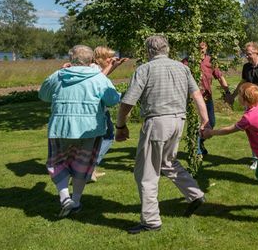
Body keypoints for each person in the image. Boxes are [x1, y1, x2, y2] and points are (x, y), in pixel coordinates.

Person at [115, 35, 210, 235]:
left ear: (149, 51)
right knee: (168, 162)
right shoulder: (182, 68)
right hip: (178, 121)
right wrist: (205, 119)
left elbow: (128, 101)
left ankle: (151, 221)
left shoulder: (144, 69)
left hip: (157, 122)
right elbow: (196, 95)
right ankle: (195, 194)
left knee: (146, 173)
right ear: (167, 49)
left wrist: (120, 124)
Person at [39, 45, 120, 218]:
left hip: (61, 126)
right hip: (89, 129)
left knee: (57, 162)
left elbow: (43, 95)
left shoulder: (58, 75)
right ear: (91, 60)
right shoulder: (98, 77)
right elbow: (113, 99)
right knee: (82, 164)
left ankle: (65, 197)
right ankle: (75, 201)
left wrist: (59, 71)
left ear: (70, 59)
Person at [202, 83, 258, 228]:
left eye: (239, 94)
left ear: (245, 99)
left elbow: (230, 129)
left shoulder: (249, 117)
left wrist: (211, 132)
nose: (237, 96)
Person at [182, 41, 231, 156]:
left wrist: (227, 92)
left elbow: (220, 77)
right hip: (193, 98)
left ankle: (200, 142)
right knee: (195, 124)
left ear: (206, 47)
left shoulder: (210, 61)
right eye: (198, 47)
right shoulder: (187, 61)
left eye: (202, 47)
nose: (201, 50)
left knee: (211, 122)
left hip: (207, 98)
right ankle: (197, 148)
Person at [88, 46, 129, 182]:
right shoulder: (94, 68)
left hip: (99, 109)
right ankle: (89, 167)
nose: (111, 59)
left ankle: (90, 169)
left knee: (101, 139)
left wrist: (115, 65)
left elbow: (103, 75)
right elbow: (98, 79)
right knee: (108, 137)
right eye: (109, 57)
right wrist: (113, 64)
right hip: (98, 110)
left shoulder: (95, 67)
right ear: (102, 58)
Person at [228, 42, 258, 170]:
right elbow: (243, 82)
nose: (247, 56)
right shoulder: (246, 67)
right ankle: (256, 159)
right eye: (246, 54)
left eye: (250, 54)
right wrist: (233, 95)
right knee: (252, 133)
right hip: (250, 105)